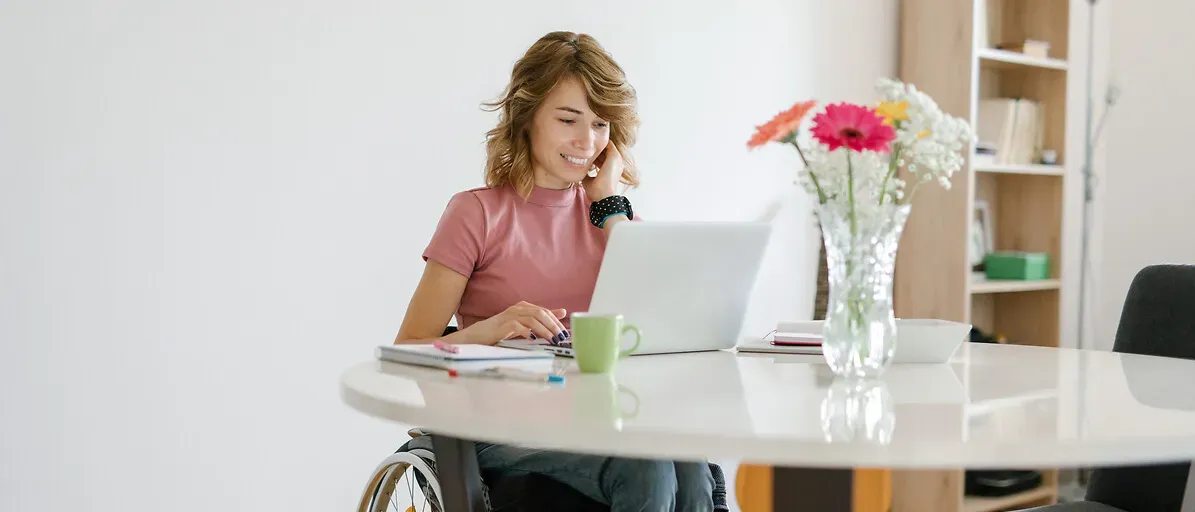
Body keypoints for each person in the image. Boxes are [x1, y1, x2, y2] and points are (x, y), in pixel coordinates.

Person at [394, 31, 716, 512]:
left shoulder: (613, 223)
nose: (587, 142)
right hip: (500, 433)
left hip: (601, 423)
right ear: (527, 120)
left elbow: (672, 323)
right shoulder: (476, 214)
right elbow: (407, 350)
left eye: (602, 125)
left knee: (687, 458)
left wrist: (608, 205)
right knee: (647, 466)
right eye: (568, 119)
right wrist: (489, 330)